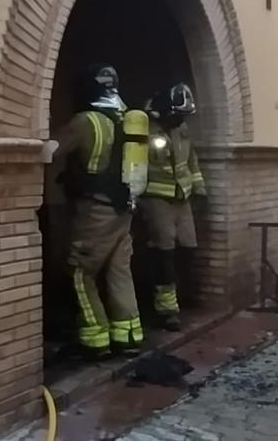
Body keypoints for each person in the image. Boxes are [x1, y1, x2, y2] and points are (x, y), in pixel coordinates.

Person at [50, 64, 145, 358]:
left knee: (81, 272)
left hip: (96, 211)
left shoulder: (85, 121)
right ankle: (129, 334)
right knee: (119, 270)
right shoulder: (124, 119)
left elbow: (50, 150)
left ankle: (96, 338)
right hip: (124, 210)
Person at [140, 81, 205, 332]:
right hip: (156, 199)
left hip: (182, 198)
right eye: (178, 115)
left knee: (188, 247)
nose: (181, 120)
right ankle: (167, 310)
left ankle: (182, 293)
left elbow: (192, 161)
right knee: (163, 252)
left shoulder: (182, 129)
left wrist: (200, 190)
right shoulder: (145, 130)